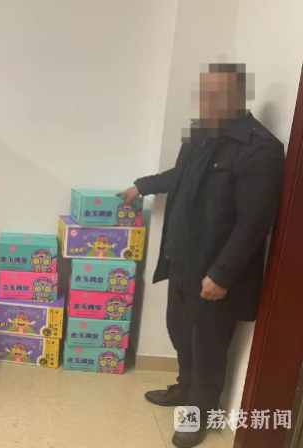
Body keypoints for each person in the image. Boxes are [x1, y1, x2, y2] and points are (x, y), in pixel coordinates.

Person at [119, 63, 285, 448]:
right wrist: (142, 186)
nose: (207, 102)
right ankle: (184, 389)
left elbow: (253, 222)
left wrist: (222, 274)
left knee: (208, 348)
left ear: (239, 96)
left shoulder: (260, 148)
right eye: (205, 94)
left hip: (213, 270)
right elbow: (180, 175)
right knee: (180, 333)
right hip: (181, 260)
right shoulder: (200, 134)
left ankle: (199, 414)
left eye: (217, 95)